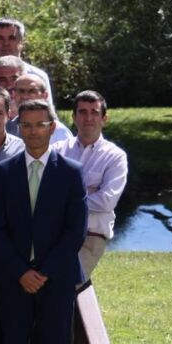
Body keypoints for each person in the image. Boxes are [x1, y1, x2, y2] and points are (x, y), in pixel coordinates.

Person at [0, 99, 87, 344]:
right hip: (15, 279)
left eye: (39, 125)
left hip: (55, 279)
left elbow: (75, 231)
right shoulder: (5, 172)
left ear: (52, 127)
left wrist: (43, 272)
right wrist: (21, 272)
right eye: (26, 125)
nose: (32, 132)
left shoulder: (71, 172)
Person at [54, 90, 128, 278]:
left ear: (104, 119)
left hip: (91, 235)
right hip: (56, 233)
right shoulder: (57, 151)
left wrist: (66, 201)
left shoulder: (115, 156)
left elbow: (106, 201)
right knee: (50, 284)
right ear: (74, 117)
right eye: (82, 112)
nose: (88, 118)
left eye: (94, 112)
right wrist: (89, 192)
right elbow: (45, 192)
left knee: (70, 281)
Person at [8, 74, 74, 142]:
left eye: (32, 91)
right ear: (14, 95)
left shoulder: (58, 132)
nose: (25, 96)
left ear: (45, 96)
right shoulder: (7, 129)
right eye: (21, 91)